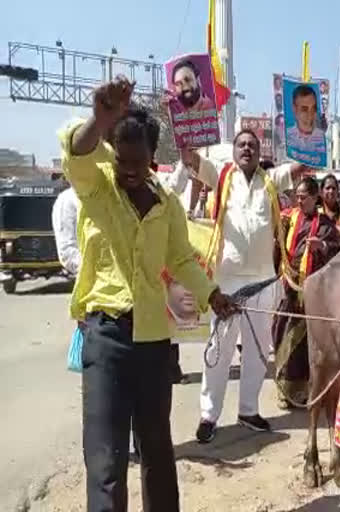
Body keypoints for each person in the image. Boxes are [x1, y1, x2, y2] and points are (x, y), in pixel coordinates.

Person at [59, 76, 236, 512]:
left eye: (140, 162)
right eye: (123, 161)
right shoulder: (97, 185)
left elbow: (180, 260)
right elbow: (76, 152)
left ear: (154, 158)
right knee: (106, 458)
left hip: (155, 342)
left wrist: (212, 294)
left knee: (158, 450)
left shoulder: (167, 203)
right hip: (106, 339)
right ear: (113, 155)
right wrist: (99, 121)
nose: (131, 171)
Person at [180, 129, 304, 443]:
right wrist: (184, 130)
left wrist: (310, 139)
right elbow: (192, 159)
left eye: (252, 145)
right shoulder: (221, 176)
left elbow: (301, 167)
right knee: (219, 352)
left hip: (263, 282)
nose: (246, 149)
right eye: (241, 144)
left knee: (257, 351)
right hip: (227, 282)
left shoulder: (270, 180)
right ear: (234, 151)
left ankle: (249, 410)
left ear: (259, 151)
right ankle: (209, 415)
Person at [272, 176, 340, 409]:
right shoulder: (288, 219)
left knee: (305, 344)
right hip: (288, 288)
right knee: (280, 333)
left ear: (316, 198)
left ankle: (302, 390)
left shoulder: (325, 225)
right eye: (298, 196)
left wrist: (322, 246)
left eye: (304, 197)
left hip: (313, 292)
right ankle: (285, 388)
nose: (300, 201)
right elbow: (277, 246)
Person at [286, 85, 325, 153]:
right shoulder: (287, 137)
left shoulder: (322, 138)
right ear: (294, 109)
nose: (310, 113)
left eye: (313, 108)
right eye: (304, 109)